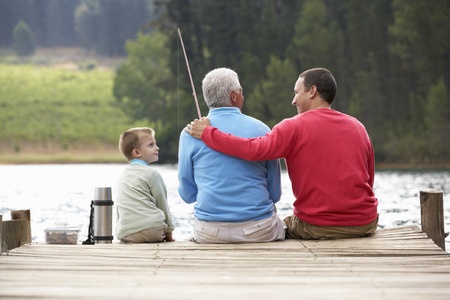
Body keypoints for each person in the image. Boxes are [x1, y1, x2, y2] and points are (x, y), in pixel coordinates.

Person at [185, 67, 378, 240]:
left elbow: (255, 149)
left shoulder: (294, 126)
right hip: (365, 223)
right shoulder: (357, 126)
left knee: (285, 225)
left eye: (296, 92)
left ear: (313, 91)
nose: (293, 100)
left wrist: (209, 133)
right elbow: (369, 179)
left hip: (317, 226)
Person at [178, 67, 286, 244]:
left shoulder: (189, 133)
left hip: (210, 232)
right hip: (258, 230)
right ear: (234, 96)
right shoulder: (262, 129)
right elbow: (275, 194)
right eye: (241, 91)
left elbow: (187, 195)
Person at [116, 127, 175, 243]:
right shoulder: (152, 174)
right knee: (156, 223)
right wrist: (169, 233)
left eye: (156, 144)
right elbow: (162, 203)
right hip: (153, 230)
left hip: (127, 233)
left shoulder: (123, 175)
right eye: (151, 145)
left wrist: (121, 230)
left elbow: (120, 207)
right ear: (137, 152)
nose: (157, 148)